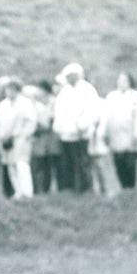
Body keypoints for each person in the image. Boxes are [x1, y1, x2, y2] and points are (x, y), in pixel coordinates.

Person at [53, 63, 99, 193]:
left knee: (82, 162)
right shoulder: (65, 91)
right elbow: (59, 111)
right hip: (66, 135)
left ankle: (86, 189)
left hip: (81, 134)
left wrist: (82, 126)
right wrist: (59, 127)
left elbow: (91, 111)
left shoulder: (87, 90)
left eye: (70, 76)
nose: (68, 79)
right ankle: (72, 188)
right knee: (68, 163)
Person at [100, 72, 137, 189]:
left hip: (130, 137)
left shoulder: (135, 97)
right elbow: (105, 116)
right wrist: (103, 133)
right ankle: (123, 188)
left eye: (124, 80)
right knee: (119, 164)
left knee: (130, 165)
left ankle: (131, 189)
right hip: (115, 137)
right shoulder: (111, 97)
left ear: (130, 82)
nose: (121, 83)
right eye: (119, 80)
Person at [0, 78, 36, 199]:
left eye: (12, 89)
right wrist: (0, 138)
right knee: (10, 165)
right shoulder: (2, 105)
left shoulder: (25, 103)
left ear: (17, 90)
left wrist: (24, 135)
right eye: (7, 89)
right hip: (6, 141)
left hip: (20, 138)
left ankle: (27, 192)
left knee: (21, 165)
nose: (10, 92)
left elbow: (30, 122)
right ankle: (17, 191)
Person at [25, 82, 59, 194]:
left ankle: (45, 189)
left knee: (47, 165)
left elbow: (50, 121)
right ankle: (36, 189)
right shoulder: (35, 104)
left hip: (48, 139)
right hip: (38, 140)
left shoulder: (52, 102)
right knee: (37, 165)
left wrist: (39, 128)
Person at [89, 94, 112, 194]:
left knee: (103, 165)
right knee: (94, 166)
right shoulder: (87, 103)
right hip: (92, 140)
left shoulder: (101, 103)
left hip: (101, 139)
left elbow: (105, 122)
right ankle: (98, 189)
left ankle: (108, 189)